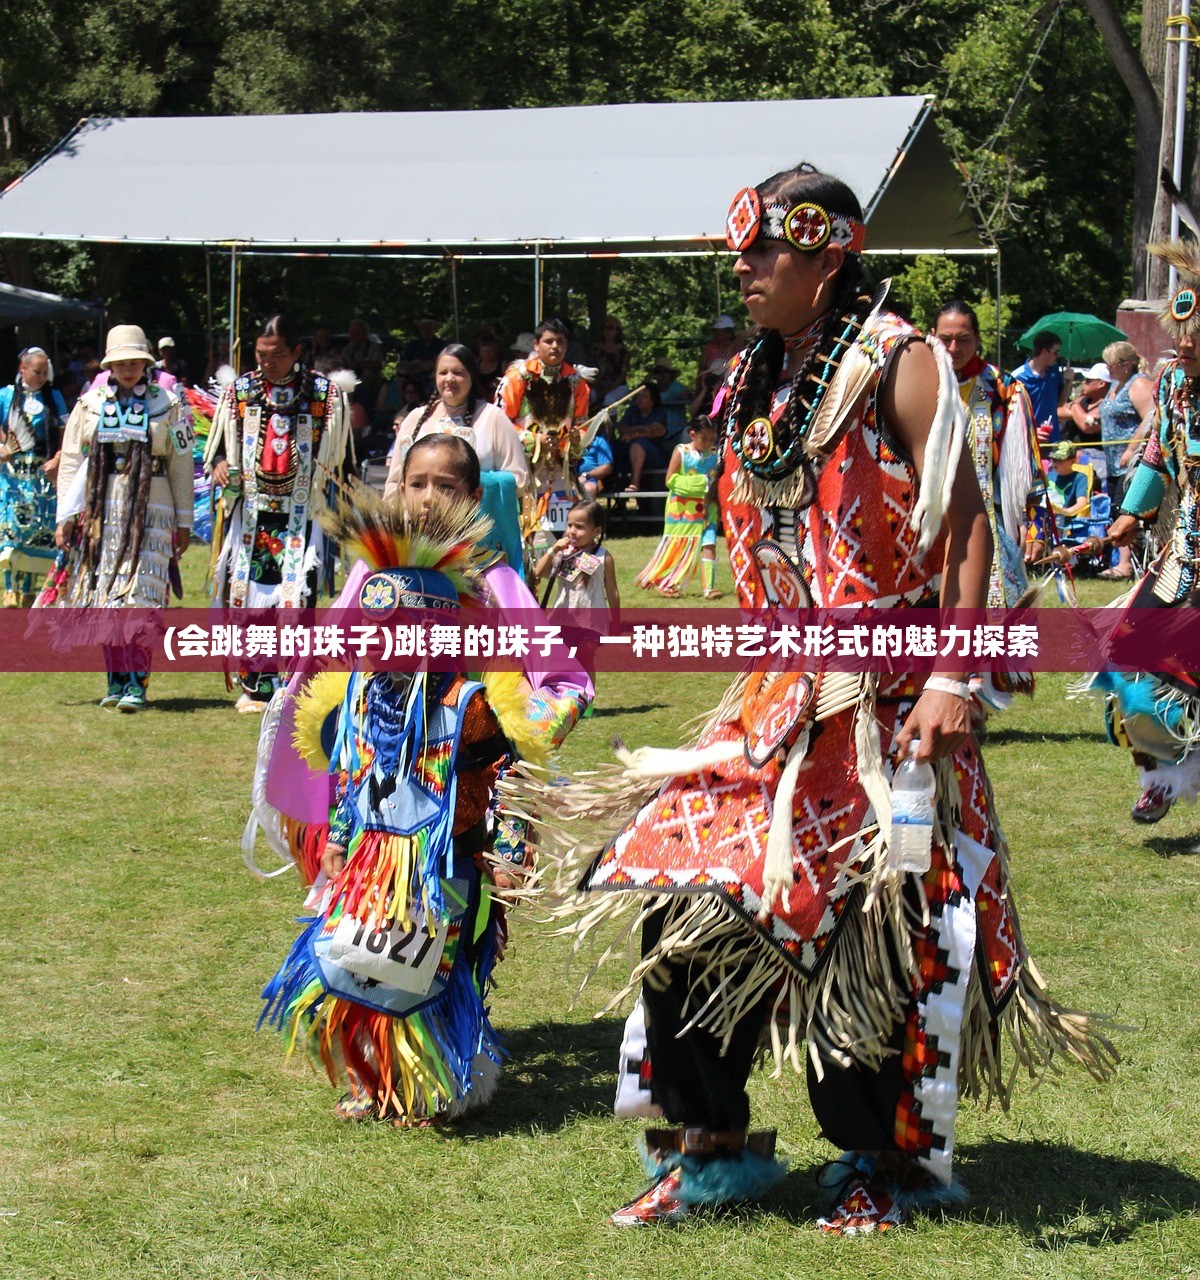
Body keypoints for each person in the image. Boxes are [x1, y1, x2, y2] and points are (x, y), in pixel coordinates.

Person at [517, 163, 1116, 1230]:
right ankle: (714, 1145)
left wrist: (951, 673)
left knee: (869, 931)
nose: (745, 267)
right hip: (776, 701)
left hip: (884, 703)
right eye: (742, 249)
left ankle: (872, 1159)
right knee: (684, 895)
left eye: (766, 251)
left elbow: (969, 525)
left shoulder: (902, 363)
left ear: (827, 252)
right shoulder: (757, 374)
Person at [256, 438, 592, 1127]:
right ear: (396, 490)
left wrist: (505, 732)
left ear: (474, 501)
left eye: (446, 485)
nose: (429, 497)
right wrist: (318, 766)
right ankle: (371, 1073)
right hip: (372, 797)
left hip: (461, 800)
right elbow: (323, 676)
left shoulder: (496, 582)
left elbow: (565, 681)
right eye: (416, 482)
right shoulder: (371, 577)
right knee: (364, 929)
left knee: (449, 935)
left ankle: (443, 1070)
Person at [204, 314, 353, 712]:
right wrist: (220, 464)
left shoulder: (323, 396)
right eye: (260, 354)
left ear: (298, 352)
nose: (267, 362)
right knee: (249, 598)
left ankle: (292, 683)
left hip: (301, 513)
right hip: (251, 513)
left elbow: (341, 460)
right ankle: (256, 684)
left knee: (296, 597)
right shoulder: (239, 392)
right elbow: (219, 445)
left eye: (277, 355)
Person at [1100, 239, 1200, 824]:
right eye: (1179, 331)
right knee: (1128, 654)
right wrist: (1132, 514)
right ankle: (1159, 775)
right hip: (1184, 549)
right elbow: (1160, 455)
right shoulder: (1171, 385)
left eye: (1196, 333)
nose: (1183, 343)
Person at [47, 325, 194, 711]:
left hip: (153, 507)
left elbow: (181, 464)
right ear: (110, 366)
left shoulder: (169, 402)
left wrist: (183, 522)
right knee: (107, 596)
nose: (128, 369)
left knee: (142, 595)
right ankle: (115, 682)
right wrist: (67, 516)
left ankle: (137, 686)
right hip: (104, 507)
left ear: (146, 363)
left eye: (135, 362)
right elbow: (72, 462)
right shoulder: (90, 403)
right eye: (121, 363)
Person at [932, 301, 1035, 610]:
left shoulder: (1002, 388)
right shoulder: (918, 382)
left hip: (986, 517)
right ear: (931, 337)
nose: (953, 347)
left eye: (963, 339)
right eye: (944, 339)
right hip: (927, 522)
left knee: (995, 618)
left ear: (977, 339)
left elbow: (1024, 470)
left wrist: (1034, 527)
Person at [495, 317, 590, 562]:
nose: (555, 346)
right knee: (527, 533)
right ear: (537, 344)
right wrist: (532, 440)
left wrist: (572, 442)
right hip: (524, 470)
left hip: (561, 471)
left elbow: (581, 424)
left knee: (569, 532)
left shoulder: (576, 382)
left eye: (560, 341)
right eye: (549, 341)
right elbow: (501, 422)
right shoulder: (518, 377)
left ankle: (569, 579)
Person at [384, 344, 528, 496]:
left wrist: (467, 482)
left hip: (475, 516)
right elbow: (394, 484)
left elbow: (518, 478)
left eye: (458, 372)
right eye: (443, 373)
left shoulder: (493, 418)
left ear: (471, 376)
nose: (450, 379)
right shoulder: (415, 419)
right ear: (435, 377)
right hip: (417, 517)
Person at [0, 347, 67, 606]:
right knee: (11, 531)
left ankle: (28, 589)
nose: (40, 377)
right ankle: (9, 587)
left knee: (35, 530)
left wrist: (58, 459)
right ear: (22, 369)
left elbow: (64, 432)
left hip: (41, 475)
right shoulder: (6, 395)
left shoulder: (54, 397)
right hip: (12, 475)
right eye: (35, 372)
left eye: (43, 372)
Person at [636, 417, 722, 598]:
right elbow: (670, 479)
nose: (708, 443)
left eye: (711, 439)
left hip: (708, 508)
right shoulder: (682, 452)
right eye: (703, 439)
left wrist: (713, 492)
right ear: (692, 434)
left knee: (710, 543)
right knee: (680, 547)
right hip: (684, 511)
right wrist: (701, 482)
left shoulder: (714, 455)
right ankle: (668, 583)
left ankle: (709, 589)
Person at [1101, 340, 1154, 582]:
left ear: (1126, 364)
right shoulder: (1117, 386)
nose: (1107, 368)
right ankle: (1126, 562)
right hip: (1113, 463)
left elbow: (1151, 418)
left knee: (1129, 510)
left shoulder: (1138, 384)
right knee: (1117, 510)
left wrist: (1131, 449)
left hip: (1132, 463)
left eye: (1111, 363)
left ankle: (1127, 564)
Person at [535, 498, 619, 616]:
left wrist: (616, 622)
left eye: (579, 527)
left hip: (592, 622)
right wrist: (553, 549)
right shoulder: (563, 553)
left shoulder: (604, 557)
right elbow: (539, 572)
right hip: (562, 619)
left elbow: (612, 591)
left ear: (597, 531)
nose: (572, 531)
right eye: (569, 525)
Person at [1011, 330, 1067, 445]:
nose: (1058, 356)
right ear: (1045, 351)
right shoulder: (1018, 377)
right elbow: (1010, 416)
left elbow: (1061, 402)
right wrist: (1031, 432)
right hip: (1027, 442)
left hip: (1052, 440)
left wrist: (1069, 382)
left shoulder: (1054, 372)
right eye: (1055, 352)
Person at [616, 382, 668, 493]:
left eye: (644, 396)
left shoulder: (659, 413)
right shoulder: (631, 411)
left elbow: (655, 430)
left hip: (653, 456)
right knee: (616, 447)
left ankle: (635, 482)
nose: (639, 398)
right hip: (628, 455)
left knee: (639, 443)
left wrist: (635, 433)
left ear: (653, 401)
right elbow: (622, 428)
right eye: (638, 395)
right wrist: (642, 429)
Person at [589, 315, 630, 405]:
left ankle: (611, 419)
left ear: (617, 331)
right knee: (587, 397)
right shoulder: (596, 348)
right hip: (598, 386)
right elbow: (591, 369)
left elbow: (622, 375)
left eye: (610, 328)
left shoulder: (623, 351)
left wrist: (606, 391)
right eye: (604, 328)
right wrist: (598, 388)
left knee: (608, 400)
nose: (606, 330)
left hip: (618, 387)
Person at [401, 317, 446, 394]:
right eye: (424, 328)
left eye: (429, 328)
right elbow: (404, 365)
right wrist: (425, 364)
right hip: (413, 379)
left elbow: (435, 364)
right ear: (420, 329)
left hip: (434, 379)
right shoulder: (412, 345)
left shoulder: (441, 345)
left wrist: (418, 363)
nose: (426, 331)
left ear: (435, 329)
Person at [649, 358, 690, 440]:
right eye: (658, 371)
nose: (661, 374)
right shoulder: (652, 389)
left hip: (677, 434)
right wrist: (648, 378)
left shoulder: (679, 388)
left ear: (671, 374)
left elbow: (663, 397)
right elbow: (639, 395)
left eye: (664, 371)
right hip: (657, 435)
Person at [577, 423, 614, 496]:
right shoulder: (566, 443)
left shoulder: (598, 441)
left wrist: (586, 475)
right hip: (566, 480)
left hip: (589, 480)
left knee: (589, 488)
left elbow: (607, 468)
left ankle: (587, 507)